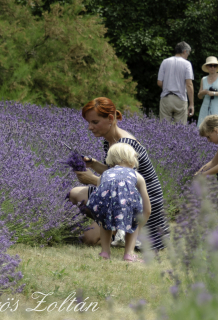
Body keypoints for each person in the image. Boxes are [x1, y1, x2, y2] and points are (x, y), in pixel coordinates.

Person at [68, 97, 169, 252]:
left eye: (94, 122)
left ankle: (119, 231)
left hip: (141, 203)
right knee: (74, 193)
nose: (89, 127)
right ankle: (114, 229)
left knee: (88, 239)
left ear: (110, 119)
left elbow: (126, 187)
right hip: (122, 197)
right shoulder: (110, 141)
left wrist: (93, 180)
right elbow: (117, 173)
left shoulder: (126, 144)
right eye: (88, 122)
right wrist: (94, 164)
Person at [85, 143, 151, 262]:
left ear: (110, 161)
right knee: (133, 223)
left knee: (105, 222)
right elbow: (147, 208)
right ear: (132, 160)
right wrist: (140, 223)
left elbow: (99, 194)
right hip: (129, 204)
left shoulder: (104, 174)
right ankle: (129, 254)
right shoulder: (137, 176)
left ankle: (105, 252)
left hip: (105, 204)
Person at [157, 42, 194, 124]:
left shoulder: (165, 62)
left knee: (164, 129)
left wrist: (168, 86)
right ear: (185, 51)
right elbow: (189, 84)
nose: (188, 55)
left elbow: (159, 83)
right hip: (180, 99)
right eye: (188, 53)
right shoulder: (187, 64)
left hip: (166, 98)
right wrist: (191, 104)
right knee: (180, 130)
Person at [197, 56, 218, 127]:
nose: (213, 67)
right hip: (205, 107)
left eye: (215, 65)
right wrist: (202, 92)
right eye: (210, 65)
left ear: (217, 67)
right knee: (204, 128)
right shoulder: (203, 79)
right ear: (207, 67)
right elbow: (199, 96)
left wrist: (214, 93)